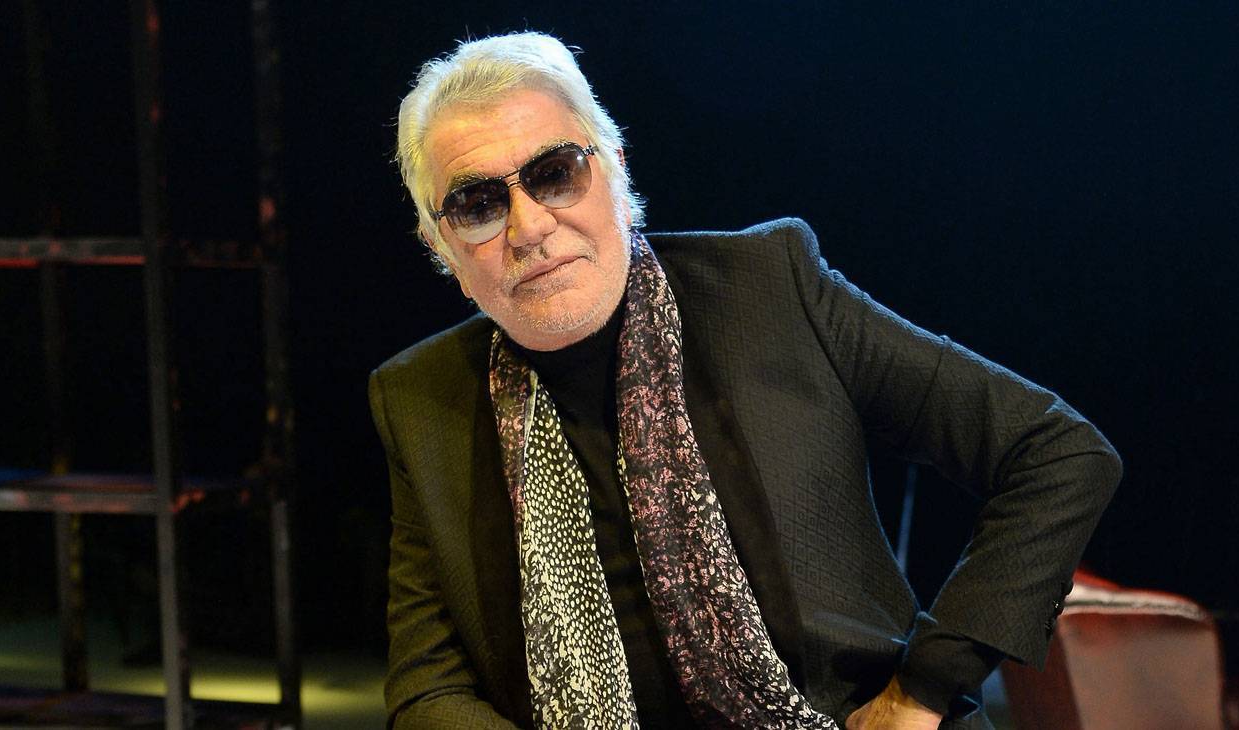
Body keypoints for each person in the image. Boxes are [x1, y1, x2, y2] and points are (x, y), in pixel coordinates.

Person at [370, 32, 1121, 729]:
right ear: (441, 247)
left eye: (555, 174)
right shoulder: (422, 397)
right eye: (478, 204)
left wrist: (927, 684)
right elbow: (428, 689)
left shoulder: (770, 289)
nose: (530, 226)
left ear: (616, 170)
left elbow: (1056, 453)